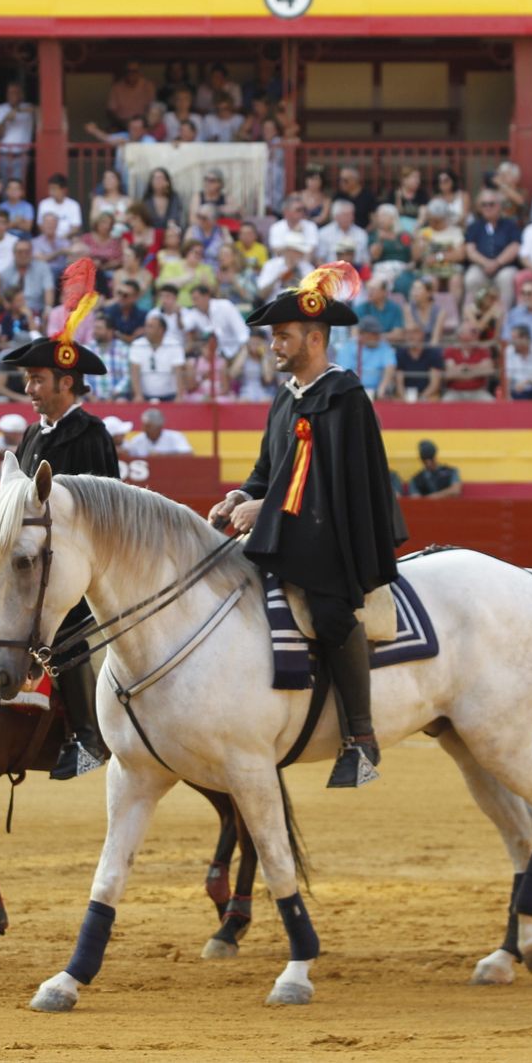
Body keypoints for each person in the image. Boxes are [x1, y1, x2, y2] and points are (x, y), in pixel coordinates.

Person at [208, 261, 405, 789]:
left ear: (315, 338)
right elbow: (269, 471)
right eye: (273, 336)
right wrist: (240, 496)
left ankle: (360, 739)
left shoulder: (345, 397)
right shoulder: (286, 396)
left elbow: (333, 489)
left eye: (283, 336)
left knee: (330, 612)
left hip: (330, 540)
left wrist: (265, 511)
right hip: (285, 535)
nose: (274, 344)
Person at [0, 260, 120, 780]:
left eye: (37, 379)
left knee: (65, 638)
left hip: (76, 569)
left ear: (65, 382)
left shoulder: (91, 436)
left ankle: (88, 738)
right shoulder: (32, 437)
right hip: (34, 565)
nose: (28, 388)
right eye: (27, 378)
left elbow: (106, 512)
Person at [123, 407, 194, 456]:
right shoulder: (137, 440)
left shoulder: (175, 436)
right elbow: (129, 456)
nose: (144, 429)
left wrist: (162, 456)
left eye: (148, 426)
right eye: (144, 425)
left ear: (159, 427)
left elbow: (188, 454)